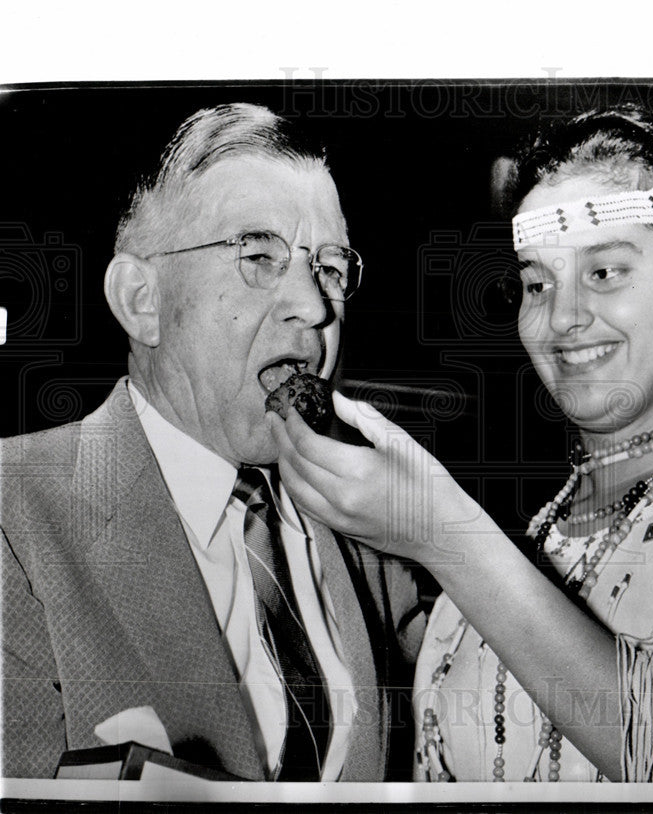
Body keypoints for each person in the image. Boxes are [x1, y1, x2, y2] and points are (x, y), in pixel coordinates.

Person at [269, 105, 653, 782]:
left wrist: (446, 536)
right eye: (538, 283)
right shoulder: (506, 567)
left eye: (605, 272)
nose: (561, 318)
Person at [0, 103, 423, 782]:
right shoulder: (13, 515)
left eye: (333, 269)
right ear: (142, 299)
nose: (315, 308)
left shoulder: (371, 526)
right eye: (259, 256)